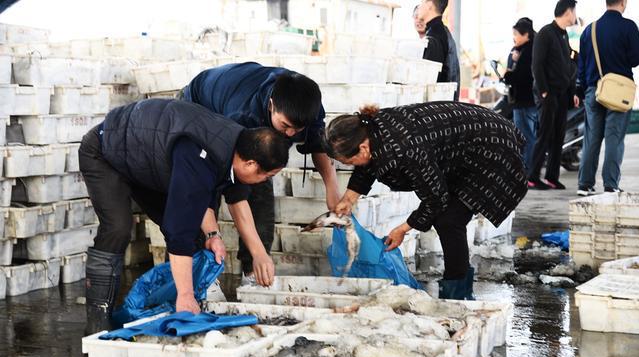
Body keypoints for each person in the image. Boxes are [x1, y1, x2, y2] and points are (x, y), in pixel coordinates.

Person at [79, 98, 289, 333]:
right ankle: (98, 318)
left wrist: (212, 233)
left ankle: (171, 306)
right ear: (250, 164)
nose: (265, 182)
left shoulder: (237, 145)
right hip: (105, 151)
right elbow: (180, 228)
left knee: (195, 234)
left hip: (147, 161)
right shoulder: (200, 156)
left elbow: (212, 195)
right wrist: (186, 294)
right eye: (267, 176)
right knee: (118, 227)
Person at [325, 102, 528, 300]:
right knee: (447, 217)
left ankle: (458, 295)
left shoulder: (404, 149)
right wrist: (348, 199)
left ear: (363, 147)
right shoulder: (370, 130)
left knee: (449, 220)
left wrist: (403, 229)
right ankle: (456, 288)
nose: (351, 165)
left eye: (348, 162)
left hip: (492, 150)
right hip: (464, 149)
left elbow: (436, 199)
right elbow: (368, 165)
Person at [181, 62, 340, 283]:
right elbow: (235, 191)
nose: (291, 134)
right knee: (206, 188)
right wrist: (257, 252)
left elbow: (317, 144)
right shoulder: (244, 116)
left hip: (245, 110)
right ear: (272, 106)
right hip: (200, 106)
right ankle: (201, 275)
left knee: (261, 193)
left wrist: (332, 189)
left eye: (297, 129)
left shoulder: (306, 107)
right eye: (285, 126)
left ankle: (252, 272)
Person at [577, 0, 639, 195]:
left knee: (591, 138)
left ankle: (584, 184)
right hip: (618, 92)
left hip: (593, 91)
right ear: (623, 2)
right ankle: (610, 184)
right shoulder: (628, 26)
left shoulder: (589, 30)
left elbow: (581, 66)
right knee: (614, 137)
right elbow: (635, 59)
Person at [528, 0, 581, 190]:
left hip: (561, 94)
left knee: (558, 136)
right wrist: (544, 91)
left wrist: (572, 93)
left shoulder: (563, 35)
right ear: (567, 12)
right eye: (574, 11)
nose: (575, 15)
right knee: (545, 135)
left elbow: (566, 66)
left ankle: (551, 177)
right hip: (548, 94)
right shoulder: (545, 33)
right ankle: (532, 176)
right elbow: (537, 65)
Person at [504, 18, 538, 170]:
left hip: (524, 101)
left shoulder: (528, 52)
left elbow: (520, 77)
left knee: (525, 137)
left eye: (516, 34)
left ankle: (526, 169)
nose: (514, 37)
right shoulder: (523, 49)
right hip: (526, 101)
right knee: (527, 136)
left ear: (526, 35)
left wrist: (508, 74)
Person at [415, 0, 461, 100]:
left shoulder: (434, 37)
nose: (419, 7)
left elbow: (429, 83)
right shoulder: (442, 31)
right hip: (446, 108)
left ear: (430, 4)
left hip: (437, 109)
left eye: (422, 2)